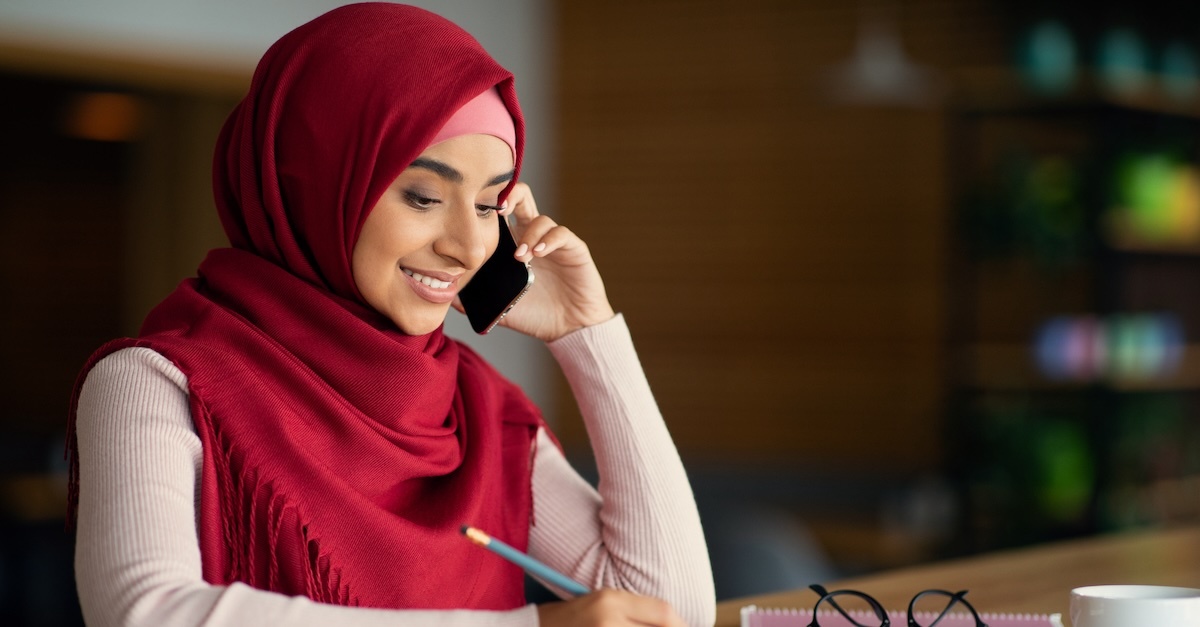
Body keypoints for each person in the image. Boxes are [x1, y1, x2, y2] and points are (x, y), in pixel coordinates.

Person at [65, 3, 715, 626]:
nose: (467, 245)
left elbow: (671, 609)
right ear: (313, 183)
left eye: (490, 206)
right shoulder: (158, 382)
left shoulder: (476, 411)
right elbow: (144, 612)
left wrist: (587, 331)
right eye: (425, 195)